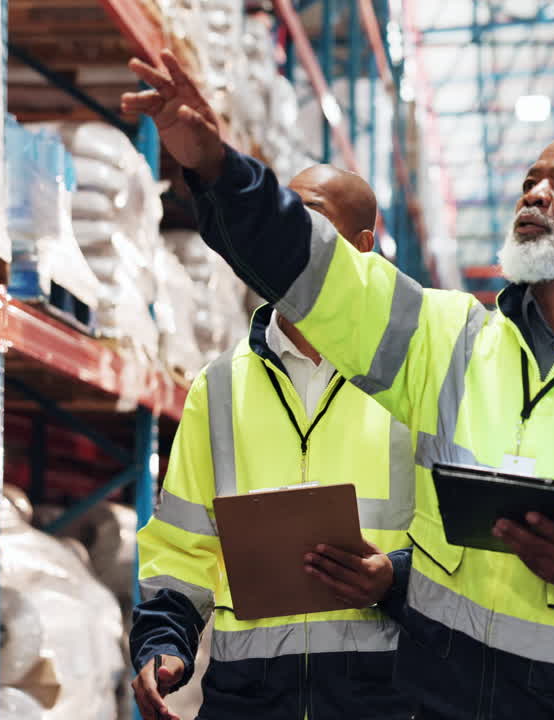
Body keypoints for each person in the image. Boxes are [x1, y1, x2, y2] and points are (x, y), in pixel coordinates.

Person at [121, 50, 554, 719]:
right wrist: (216, 166)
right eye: (529, 182)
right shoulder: (447, 341)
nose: (533, 194)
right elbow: (318, 269)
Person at [129, 166, 419, 720]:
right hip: (250, 702)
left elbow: (466, 552)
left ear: (363, 248)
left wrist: (394, 578)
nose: (287, 240)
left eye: (309, 222)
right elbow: (180, 550)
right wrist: (164, 644)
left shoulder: (411, 379)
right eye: (281, 222)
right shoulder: (218, 387)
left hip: (383, 700)